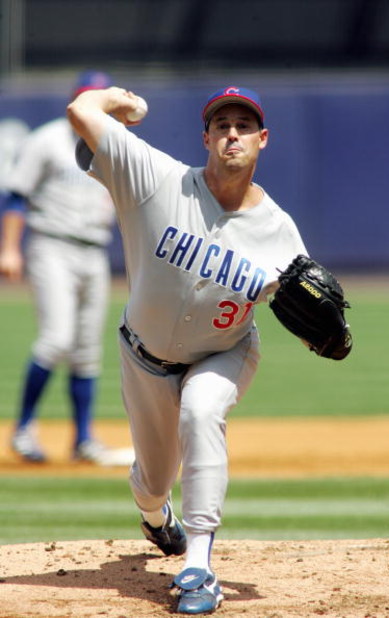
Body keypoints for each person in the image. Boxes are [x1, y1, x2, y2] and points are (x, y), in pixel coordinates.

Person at [67, 84, 308, 614]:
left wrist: (327, 331)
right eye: (221, 124)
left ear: (262, 139)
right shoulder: (157, 178)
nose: (231, 134)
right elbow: (80, 112)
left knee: (201, 411)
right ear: (205, 136)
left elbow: (315, 315)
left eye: (244, 125)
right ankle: (156, 517)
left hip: (226, 351)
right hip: (143, 357)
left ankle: (198, 565)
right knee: (152, 484)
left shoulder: (282, 233)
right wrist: (118, 102)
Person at [0, 71, 118, 465]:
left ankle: (83, 440)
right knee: (57, 339)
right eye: (85, 98)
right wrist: (10, 249)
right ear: (74, 102)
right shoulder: (47, 140)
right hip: (52, 246)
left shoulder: (114, 144)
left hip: (95, 252)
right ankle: (23, 430)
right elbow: (17, 197)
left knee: (87, 350)